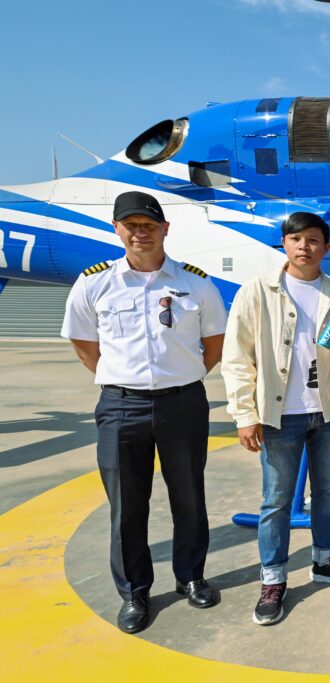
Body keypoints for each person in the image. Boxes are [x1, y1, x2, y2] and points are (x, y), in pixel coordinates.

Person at [61, 191, 227, 633]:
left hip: (183, 403)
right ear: (117, 229)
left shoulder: (196, 283)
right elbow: (84, 344)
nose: (140, 233)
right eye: (131, 225)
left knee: (188, 496)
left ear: (165, 229)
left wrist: (184, 376)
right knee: (127, 504)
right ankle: (135, 592)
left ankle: (190, 577)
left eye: (149, 225)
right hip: (121, 405)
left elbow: (213, 344)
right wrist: (122, 380)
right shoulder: (94, 283)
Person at [221, 212, 330, 626]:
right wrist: (244, 414)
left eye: (314, 240)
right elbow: (237, 357)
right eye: (297, 239)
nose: (305, 246)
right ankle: (273, 578)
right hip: (279, 414)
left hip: (328, 411)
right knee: (276, 501)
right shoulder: (257, 290)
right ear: (284, 244)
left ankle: (324, 559)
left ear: (327, 247)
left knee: (327, 493)